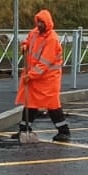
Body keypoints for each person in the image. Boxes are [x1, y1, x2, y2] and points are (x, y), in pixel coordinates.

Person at [15, 8, 70, 141]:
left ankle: (64, 131)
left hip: (48, 78)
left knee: (52, 104)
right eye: (38, 21)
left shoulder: (52, 39)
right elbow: (28, 40)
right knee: (30, 103)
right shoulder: (34, 33)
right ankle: (24, 129)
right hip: (36, 76)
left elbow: (44, 63)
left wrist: (31, 75)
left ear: (48, 23)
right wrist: (24, 45)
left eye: (42, 22)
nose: (39, 24)